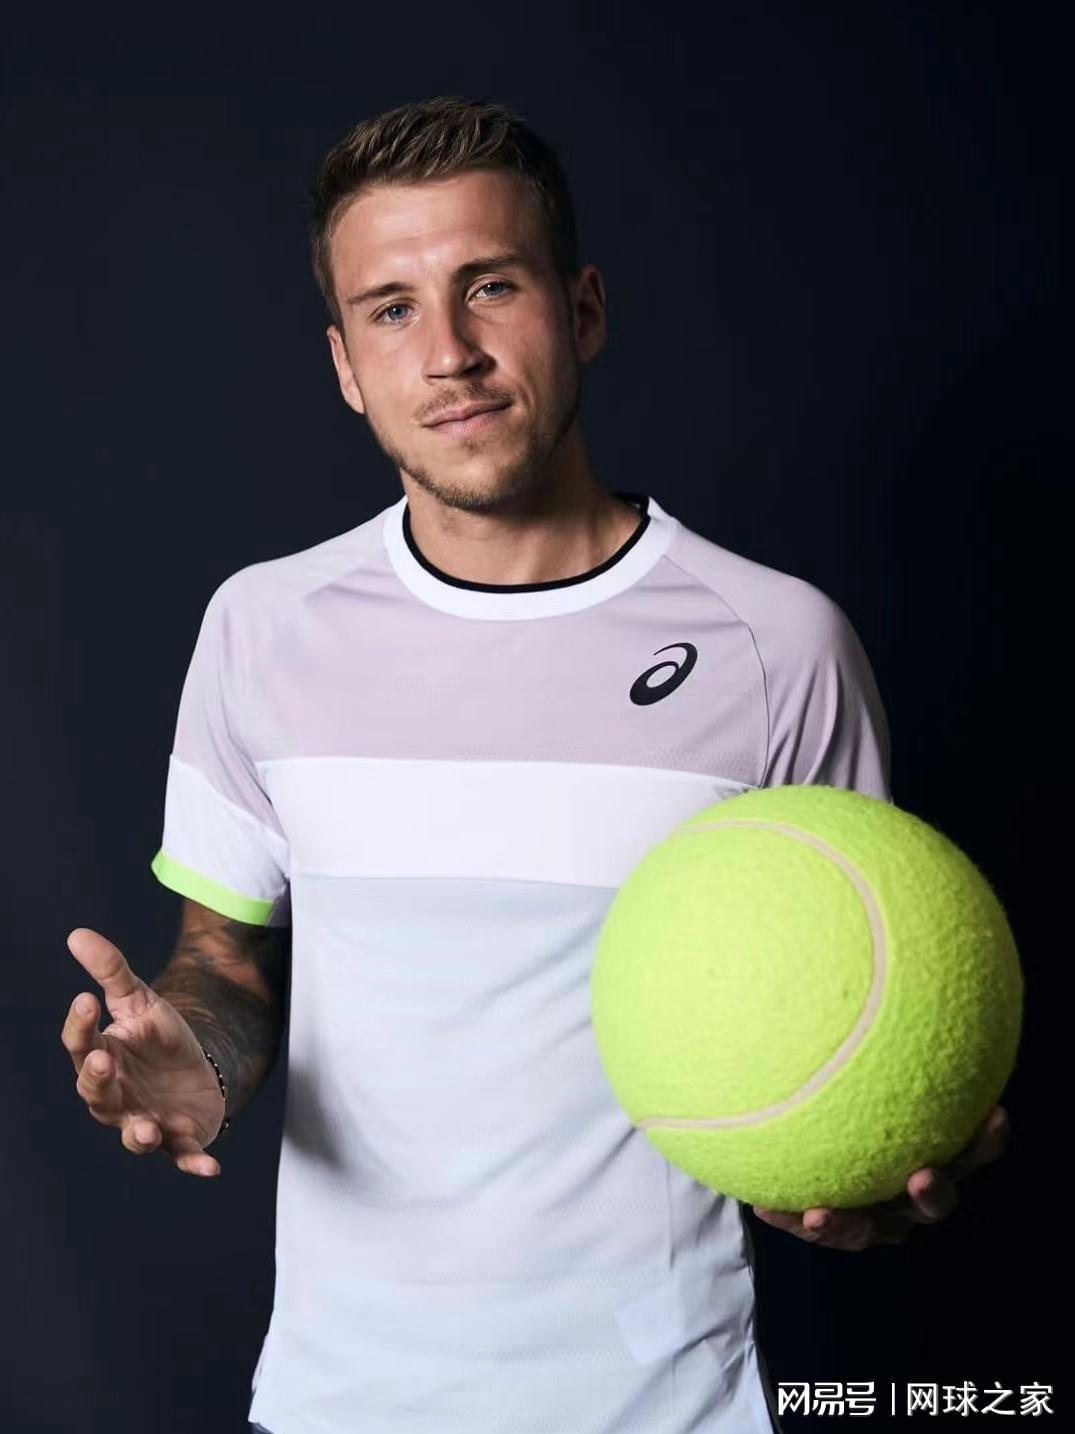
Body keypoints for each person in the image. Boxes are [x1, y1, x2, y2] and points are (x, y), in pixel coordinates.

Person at [61, 95, 1008, 1434]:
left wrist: (872, 1159)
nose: (449, 353)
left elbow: (861, 998)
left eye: (490, 286)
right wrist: (190, 1063)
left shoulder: (776, 645)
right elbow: (224, 966)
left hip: (669, 1403)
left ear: (585, 310)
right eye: (392, 309)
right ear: (345, 365)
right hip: (337, 1402)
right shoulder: (261, 628)